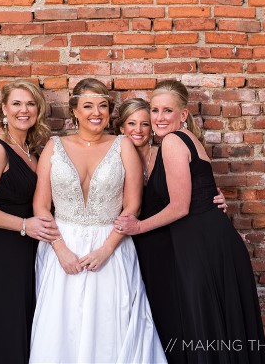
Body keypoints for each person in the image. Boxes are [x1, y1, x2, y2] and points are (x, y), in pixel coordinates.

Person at [115, 81, 265, 363]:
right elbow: (198, 188)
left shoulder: (173, 142)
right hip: (192, 244)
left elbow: (180, 206)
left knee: (204, 326)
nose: (158, 118)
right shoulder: (172, 144)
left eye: (167, 111)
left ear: (183, 114)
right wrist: (214, 195)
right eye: (155, 110)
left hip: (198, 245)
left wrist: (137, 227)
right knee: (207, 326)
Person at [30, 78, 166, 363]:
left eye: (103, 106)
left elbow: (133, 206)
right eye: (88, 105)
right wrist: (60, 249)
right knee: (61, 328)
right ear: (75, 111)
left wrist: (105, 249)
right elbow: (41, 206)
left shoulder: (122, 145)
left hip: (111, 246)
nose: (97, 112)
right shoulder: (54, 147)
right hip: (62, 246)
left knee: (109, 326)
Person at [0, 79, 61, 363]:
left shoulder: (30, 149)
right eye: (16, 103)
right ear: (4, 108)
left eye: (30, 104)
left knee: (18, 323)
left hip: (19, 247)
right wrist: (25, 226)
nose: (24, 110)